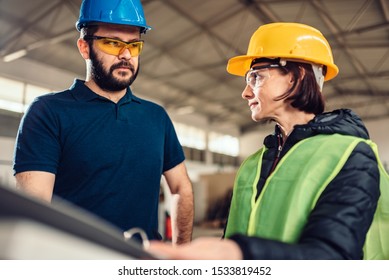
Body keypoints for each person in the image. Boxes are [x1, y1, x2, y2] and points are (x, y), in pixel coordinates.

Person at [148, 22, 389, 259]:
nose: (245, 92)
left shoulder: (351, 155)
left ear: (296, 77)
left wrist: (239, 254)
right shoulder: (253, 164)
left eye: (256, 77)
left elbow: (332, 258)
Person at [13, 0, 193, 245]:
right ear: (84, 48)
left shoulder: (156, 117)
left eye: (134, 45)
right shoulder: (48, 112)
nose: (126, 55)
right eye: (112, 43)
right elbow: (35, 213)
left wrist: (180, 257)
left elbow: (180, 188)